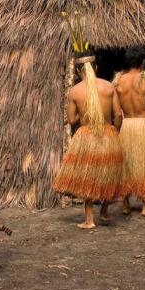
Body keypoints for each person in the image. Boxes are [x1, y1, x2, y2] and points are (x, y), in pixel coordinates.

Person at [53, 53, 124, 229]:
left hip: (86, 135)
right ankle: (105, 212)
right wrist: (116, 130)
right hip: (108, 133)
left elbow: (71, 119)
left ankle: (89, 219)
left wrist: (81, 113)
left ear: (78, 71)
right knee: (107, 173)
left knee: (87, 176)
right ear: (96, 68)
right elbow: (117, 114)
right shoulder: (108, 86)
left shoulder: (75, 91)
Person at [114, 46, 145, 216]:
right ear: (142, 62)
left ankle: (125, 204)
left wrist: (117, 128)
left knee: (127, 165)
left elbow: (117, 111)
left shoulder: (118, 81)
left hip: (127, 126)